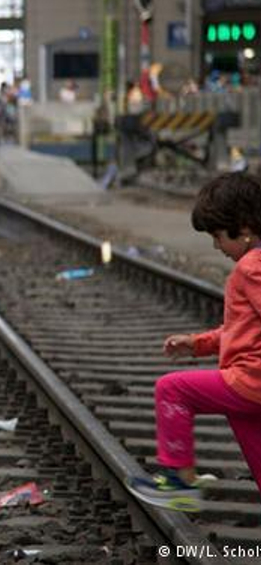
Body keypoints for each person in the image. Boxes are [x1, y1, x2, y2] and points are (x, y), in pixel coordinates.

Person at [127, 173, 261, 512]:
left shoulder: (250, 267)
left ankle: (179, 484)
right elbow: (242, 330)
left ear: (244, 227)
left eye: (218, 236)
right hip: (249, 387)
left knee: (172, 390)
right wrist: (198, 343)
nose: (217, 246)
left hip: (250, 380)